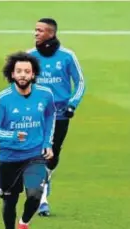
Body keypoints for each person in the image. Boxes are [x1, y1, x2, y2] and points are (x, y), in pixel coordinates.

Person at [0, 52, 56, 229]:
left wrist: (47, 142)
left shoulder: (45, 94)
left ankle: (24, 224)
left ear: (34, 74)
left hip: (35, 154)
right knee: (10, 200)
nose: (23, 75)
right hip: (9, 156)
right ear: (12, 74)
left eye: (27, 71)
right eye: (19, 71)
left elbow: (51, 115)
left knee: (35, 194)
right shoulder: (3, 99)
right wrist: (13, 135)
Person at [28, 18, 86, 216]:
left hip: (60, 114)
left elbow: (80, 83)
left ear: (51, 34)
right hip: (35, 114)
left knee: (52, 153)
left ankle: (44, 184)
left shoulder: (67, 56)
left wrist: (72, 104)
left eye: (40, 30)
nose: (35, 33)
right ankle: (41, 198)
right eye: (35, 30)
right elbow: (18, 81)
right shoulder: (29, 56)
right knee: (37, 152)